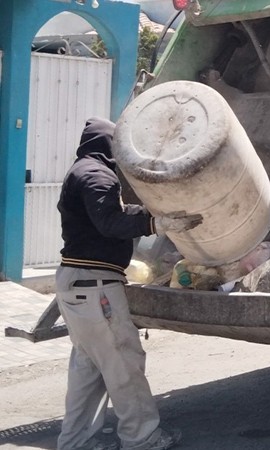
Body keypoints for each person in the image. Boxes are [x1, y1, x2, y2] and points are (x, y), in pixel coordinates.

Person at [55, 117, 202, 450]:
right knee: (124, 364)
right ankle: (142, 438)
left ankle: (77, 442)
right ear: (110, 145)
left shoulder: (81, 170)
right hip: (96, 288)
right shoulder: (97, 175)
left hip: (76, 285)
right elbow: (110, 221)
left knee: (88, 371)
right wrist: (154, 222)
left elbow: (110, 211)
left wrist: (150, 212)